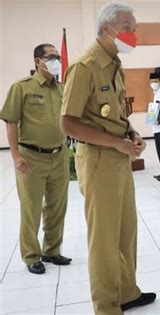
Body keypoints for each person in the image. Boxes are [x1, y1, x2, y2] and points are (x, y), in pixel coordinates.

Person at [60, 3, 156, 314]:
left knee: (125, 231)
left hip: (118, 156)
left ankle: (126, 292)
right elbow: (68, 123)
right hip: (99, 160)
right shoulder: (84, 66)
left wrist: (131, 134)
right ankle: (105, 304)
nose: (134, 34)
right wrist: (116, 143)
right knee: (103, 238)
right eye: (129, 27)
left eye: (134, 27)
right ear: (108, 29)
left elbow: (114, 114)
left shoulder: (114, 64)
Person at [0, 44, 71, 275]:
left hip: (59, 155)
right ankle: (31, 255)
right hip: (31, 156)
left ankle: (52, 249)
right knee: (31, 208)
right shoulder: (22, 88)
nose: (56, 61)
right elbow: (10, 121)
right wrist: (16, 156)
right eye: (51, 57)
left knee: (57, 207)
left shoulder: (62, 89)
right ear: (37, 61)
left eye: (58, 57)